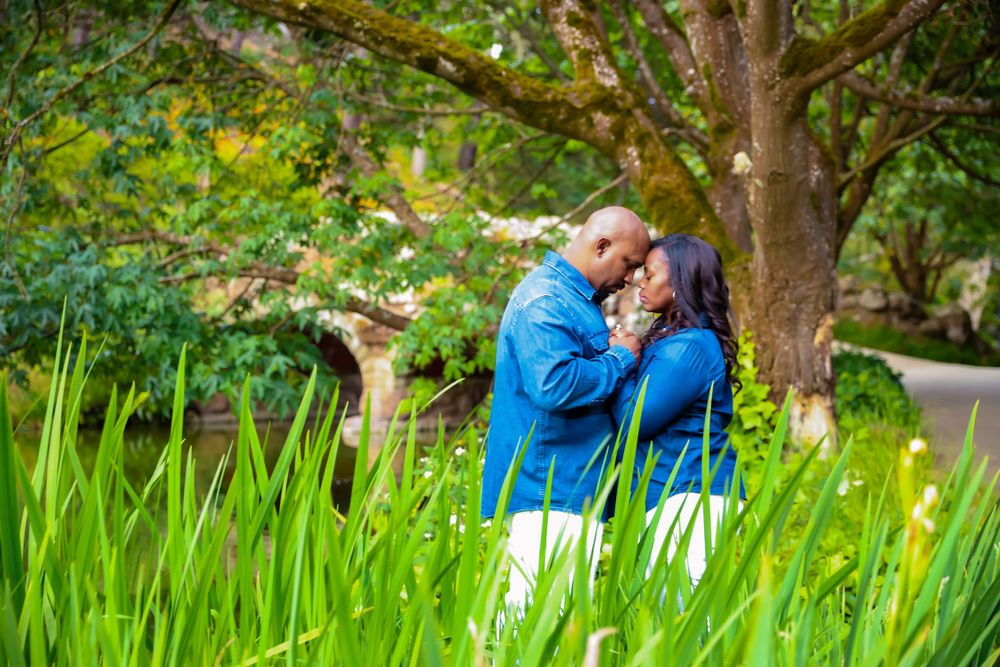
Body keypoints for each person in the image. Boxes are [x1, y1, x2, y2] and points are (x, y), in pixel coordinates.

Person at [482, 206, 650, 615]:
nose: (629, 280)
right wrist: (621, 359)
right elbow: (555, 386)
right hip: (551, 492)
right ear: (602, 245)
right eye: (628, 266)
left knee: (559, 622)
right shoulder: (545, 300)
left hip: (570, 487)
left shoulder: (572, 299)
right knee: (538, 624)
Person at [611, 233, 743, 589]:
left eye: (651, 274)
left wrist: (622, 360)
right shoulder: (676, 339)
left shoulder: (689, 348)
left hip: (690, 496)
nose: (641, 281)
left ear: (681, 281)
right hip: (675, 494)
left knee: (685, 627)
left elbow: (633, 421)